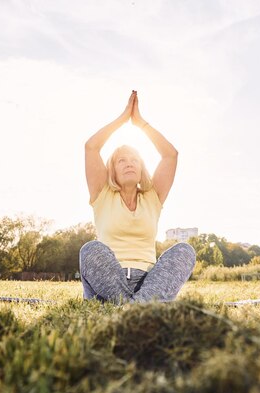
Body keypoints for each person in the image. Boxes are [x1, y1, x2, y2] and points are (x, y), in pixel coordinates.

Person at [79, 90, 196, 304]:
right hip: (108, 282)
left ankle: (131, 307)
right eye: (122, 160)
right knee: (90, 250)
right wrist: (124, 119)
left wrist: (140, 123)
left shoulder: (153, 196)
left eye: (134, 159)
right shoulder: (102, 193)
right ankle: (140, 307)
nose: (129, 163)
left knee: (184, 251)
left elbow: (171, 155)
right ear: (112, 170)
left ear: (142, 167)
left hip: (149, 282)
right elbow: (91, 147)